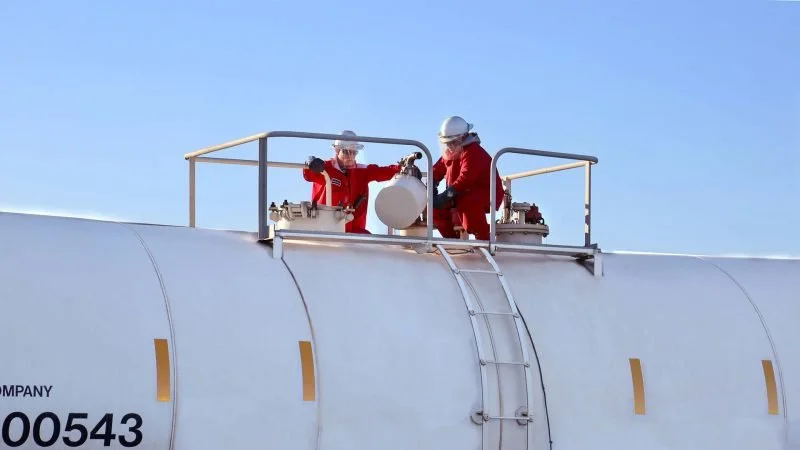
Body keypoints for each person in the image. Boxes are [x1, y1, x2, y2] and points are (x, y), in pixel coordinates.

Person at [303, 130, 401, 234]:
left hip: (354, 232)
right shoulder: (324, 168)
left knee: (369, 240)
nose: (350, 156)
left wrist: (403, 168)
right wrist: (310, 162)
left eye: (354, 152)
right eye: (346, 152)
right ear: (337, 151)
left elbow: (383, 172)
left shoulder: (362, 171)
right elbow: (308, 175)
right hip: (325, 229)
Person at [431, 116, 505, 241]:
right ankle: (452, 243)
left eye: (451, 142)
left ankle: (484, 241)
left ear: (461, 138)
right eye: (447, 143)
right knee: (435, 210)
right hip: (459, 192)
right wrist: (432, 183)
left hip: (485, 193)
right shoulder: (452, 152)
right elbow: (437, 169)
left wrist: (445, 196)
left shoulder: (473, 152)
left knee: (468, 204)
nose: (449, 146)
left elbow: (466, 179)